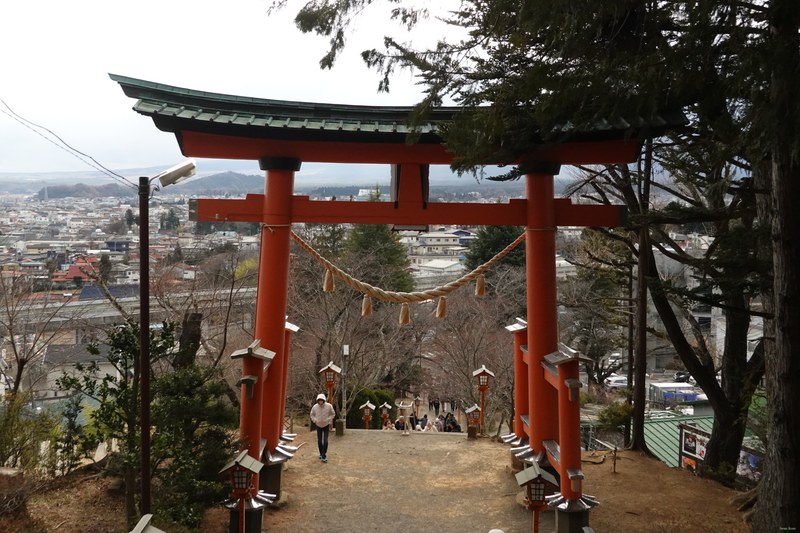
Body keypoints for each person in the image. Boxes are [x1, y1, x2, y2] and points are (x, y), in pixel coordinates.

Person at [310, 393, 335, 462]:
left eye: (321, 400)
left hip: (326, 425)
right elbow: (311, 414)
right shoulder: (315, 407)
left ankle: (324, 455)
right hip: (318, 425)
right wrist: (314, 420)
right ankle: (321, 454)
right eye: (319, 400)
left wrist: (329, 419)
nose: (320, 401)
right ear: (317, 400)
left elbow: (333, 414)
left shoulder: (329, 406)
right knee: (319, 440)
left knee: (325, 440)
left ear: (324, 400)